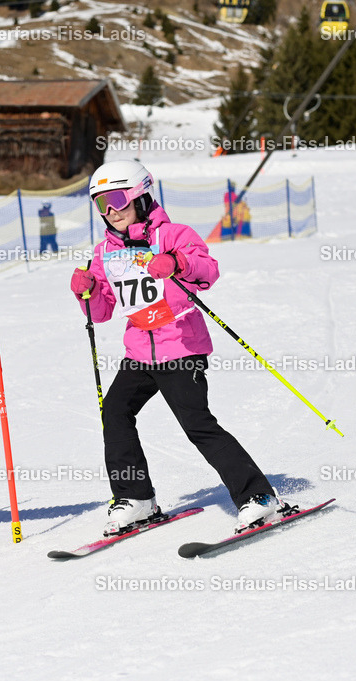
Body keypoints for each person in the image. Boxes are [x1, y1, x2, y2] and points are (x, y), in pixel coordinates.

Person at [70, 160, 279, 536]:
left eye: (117, 199)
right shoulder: (104, 252)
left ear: (139, 195)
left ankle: (259, 497)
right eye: (102, 204)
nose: (111, 210)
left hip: (181, 348)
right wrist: (85, 290)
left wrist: (177, 262)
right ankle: (136, 499)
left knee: (197, 424)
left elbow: (207, 270)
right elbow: (100, 313)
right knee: (115, 412)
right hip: (139, 352)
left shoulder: (173, 235)